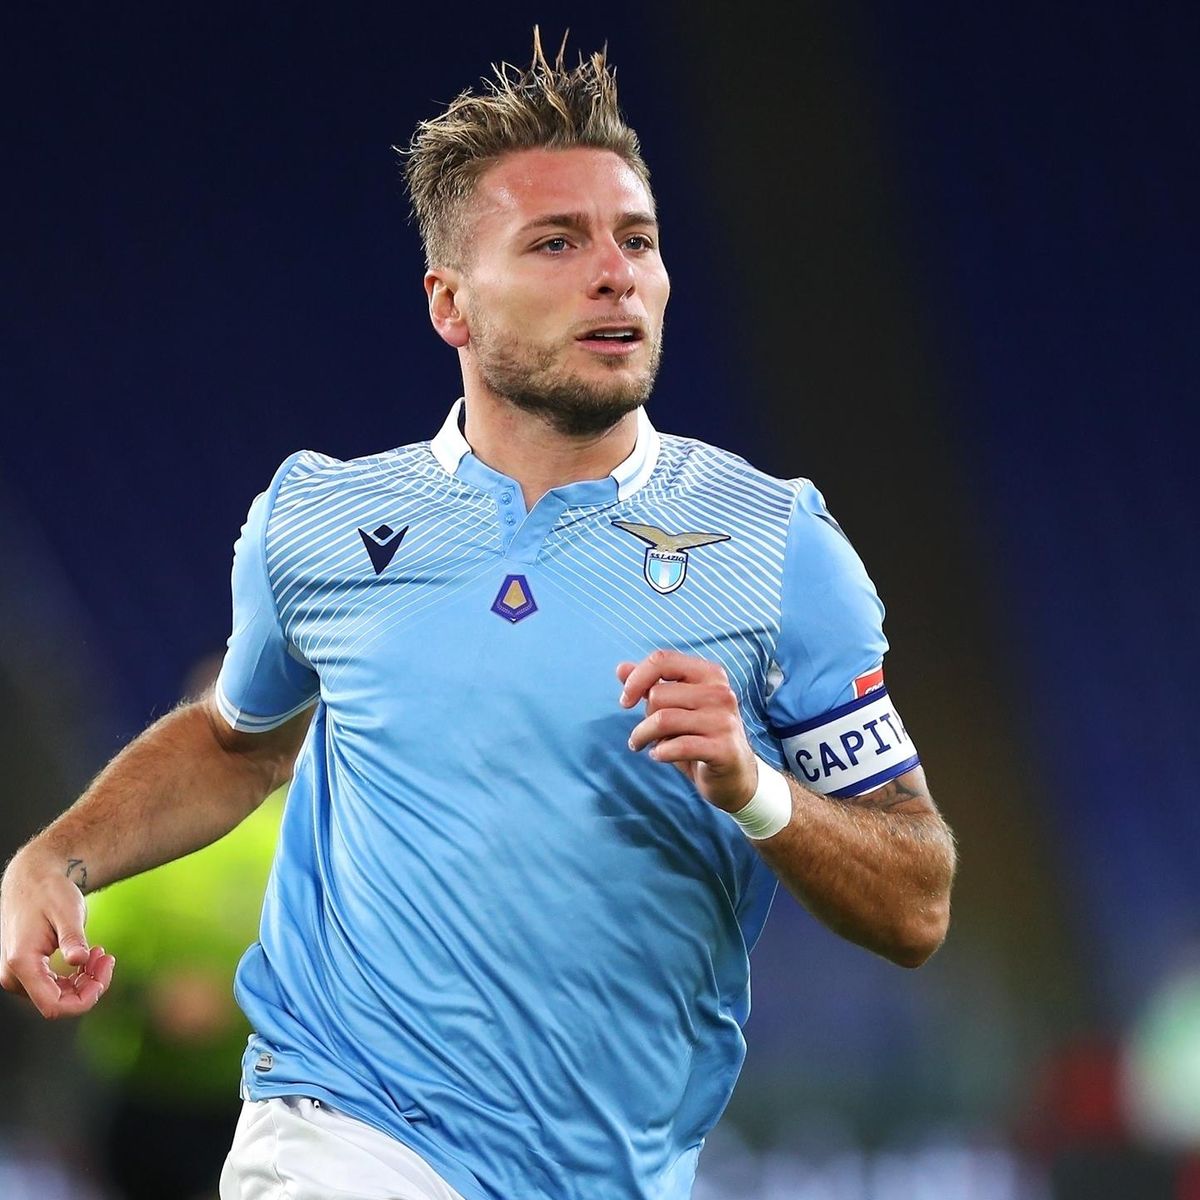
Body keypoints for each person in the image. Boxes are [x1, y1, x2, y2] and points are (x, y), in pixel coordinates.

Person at [0, 30, 956, 1200]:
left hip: (613, 1168)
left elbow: (916, 900)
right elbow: (237, 743)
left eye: (637, 239)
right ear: (449, 303)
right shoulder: (319, 522)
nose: (615, 274)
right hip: (344, 1131)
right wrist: (58, 858)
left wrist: (757, 790)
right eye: (556, 242)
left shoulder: (776, 545)